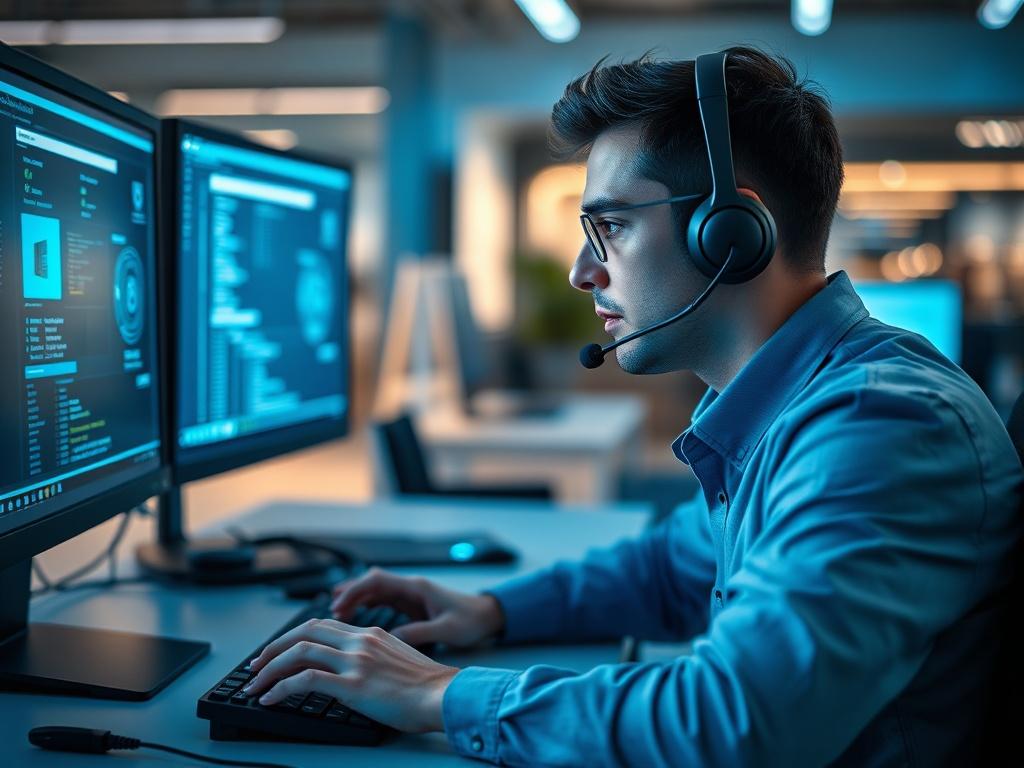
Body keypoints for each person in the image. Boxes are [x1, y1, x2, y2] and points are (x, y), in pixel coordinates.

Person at [241, 47, 1023, 766]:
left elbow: (732, 721)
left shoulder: (878, 428)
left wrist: (437, 694)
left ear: (729, 233)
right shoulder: (790, 404)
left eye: (610, 226)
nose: (582, 271)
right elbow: (670, 569)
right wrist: (487, 610)